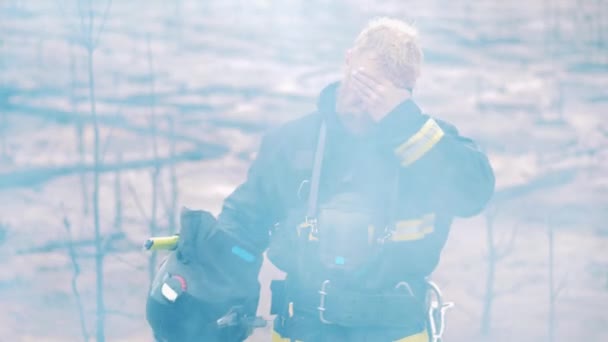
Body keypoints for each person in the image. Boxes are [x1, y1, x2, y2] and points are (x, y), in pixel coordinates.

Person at [146, 17, 495, 342]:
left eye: (386, 93)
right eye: (363, 83)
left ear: (409, 90)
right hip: (301, 329)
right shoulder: (293, 142)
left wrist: (404, 123)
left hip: (397, 332)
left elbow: (474, 193)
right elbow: (245, 223)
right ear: (347, 61)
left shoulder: (429, 144)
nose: (368, 101)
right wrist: (209, 260)